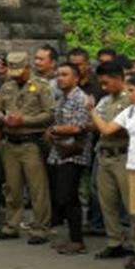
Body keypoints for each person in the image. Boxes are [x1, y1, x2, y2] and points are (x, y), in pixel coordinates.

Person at [93, 71, 135, 269]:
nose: (129, 94)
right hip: (132, 166)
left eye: (132, 90)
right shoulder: (130, 112)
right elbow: (107, 129)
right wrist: (92, 111)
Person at [0, 51, 54, 243]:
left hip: (31, 142)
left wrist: (24, 120)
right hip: (10, 142)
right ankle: (12, 224)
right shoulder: (7, 87)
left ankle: (41, 227)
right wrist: (3, 119)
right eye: (13, 71)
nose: (16, 75)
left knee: (37, 188)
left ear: (28, 68)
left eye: (20, 71)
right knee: (12, 186)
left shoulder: (41, 87)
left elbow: (49, 114)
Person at [45, 63, 92, 255]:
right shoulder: (63, 98)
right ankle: (73, 237)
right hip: (60, 152)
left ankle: (77, 240)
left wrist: (53, 130)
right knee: (63, 196)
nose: (60, 78)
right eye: (58, 75)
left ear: (76, 78)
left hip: (74, 153)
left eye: (65, 75)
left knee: (69, 196)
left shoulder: (80, 98)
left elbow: (79, 126)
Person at [90, 61, 132, 259]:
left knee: (131, 204)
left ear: (118, 78)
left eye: (106, 83)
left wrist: (92, 113)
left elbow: (109, 127)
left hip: (122, 155)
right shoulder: (106, 100)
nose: (103, 87)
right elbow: (95, 124)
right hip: (104, 154)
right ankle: (114, 241)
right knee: (106, 201)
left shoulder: (130, 100)